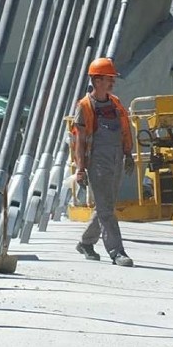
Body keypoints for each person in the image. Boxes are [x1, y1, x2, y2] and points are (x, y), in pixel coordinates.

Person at [71, 57, 135, 267]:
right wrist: (80, 170)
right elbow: (79, 142)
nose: (112, 82)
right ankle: (117, 252)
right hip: (97, 162)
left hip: (116, 159)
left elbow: (125, 130)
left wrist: (128, 154)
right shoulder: (85, 106)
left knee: (104, 206)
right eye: (109, 78)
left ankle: (86, 243)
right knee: (107, 209)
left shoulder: (115, 103)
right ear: (97, 80)